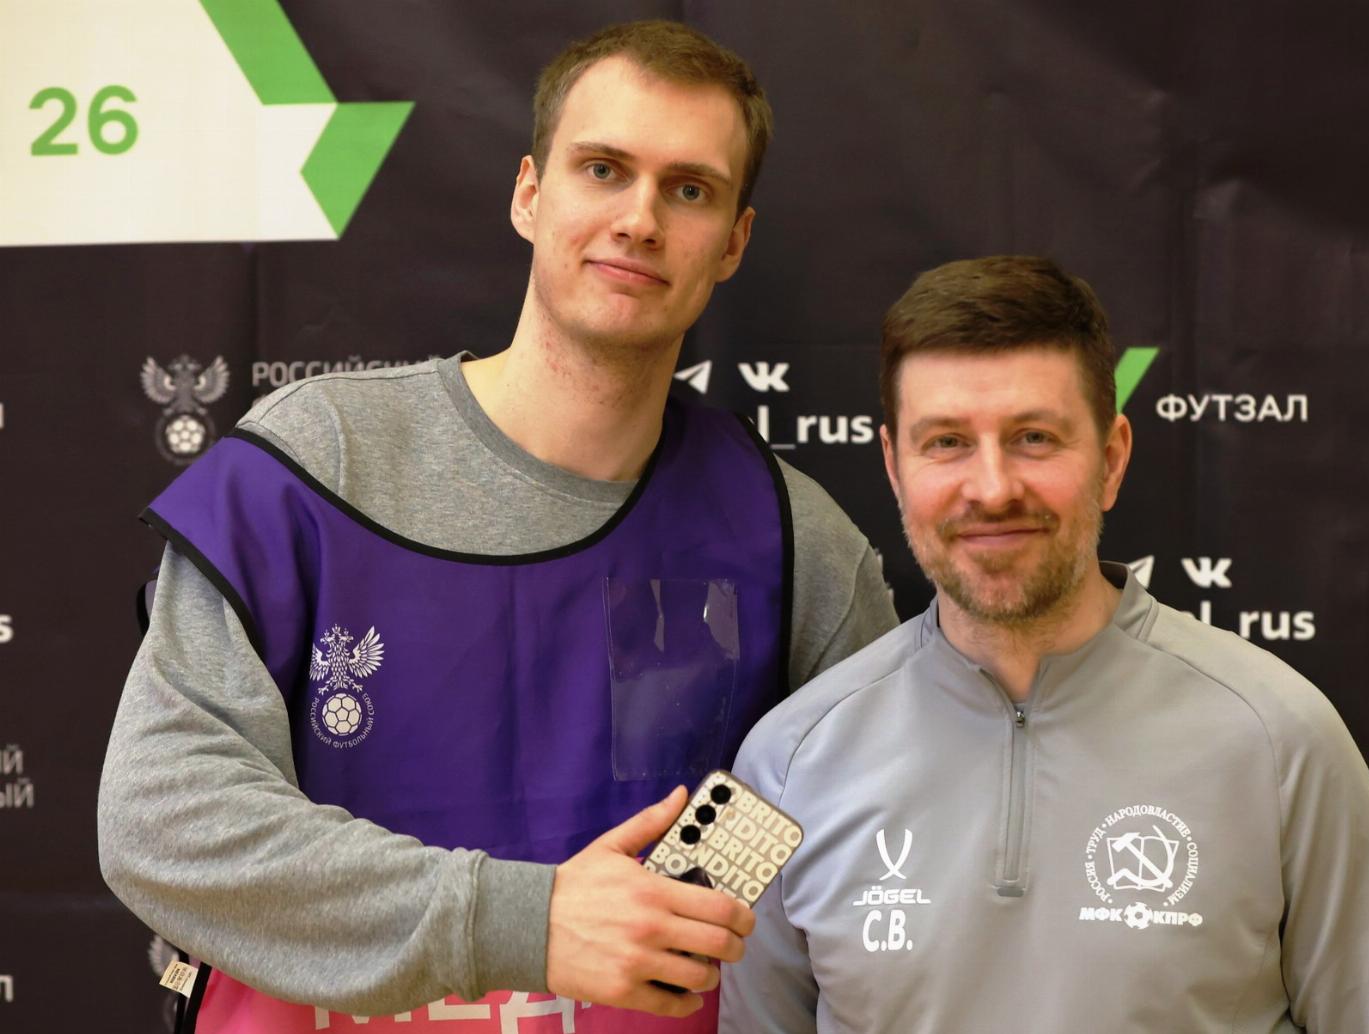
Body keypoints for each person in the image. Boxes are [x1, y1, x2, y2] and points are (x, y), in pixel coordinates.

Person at [98, 20, 897, 1033]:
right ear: (529, 193)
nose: (639, 219)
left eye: (689, 190)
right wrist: (529, 918)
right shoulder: (313, 465)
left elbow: (882, 873)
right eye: (602, 169)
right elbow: (162, 822)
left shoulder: (790, 539)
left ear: (734, 241)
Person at [719, 255, 1369, 1033]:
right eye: (948, 442)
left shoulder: (1283, 740)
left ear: (1112, 458)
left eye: (1033, 437)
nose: (992, 488)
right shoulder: (779, 765)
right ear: (895, 467)